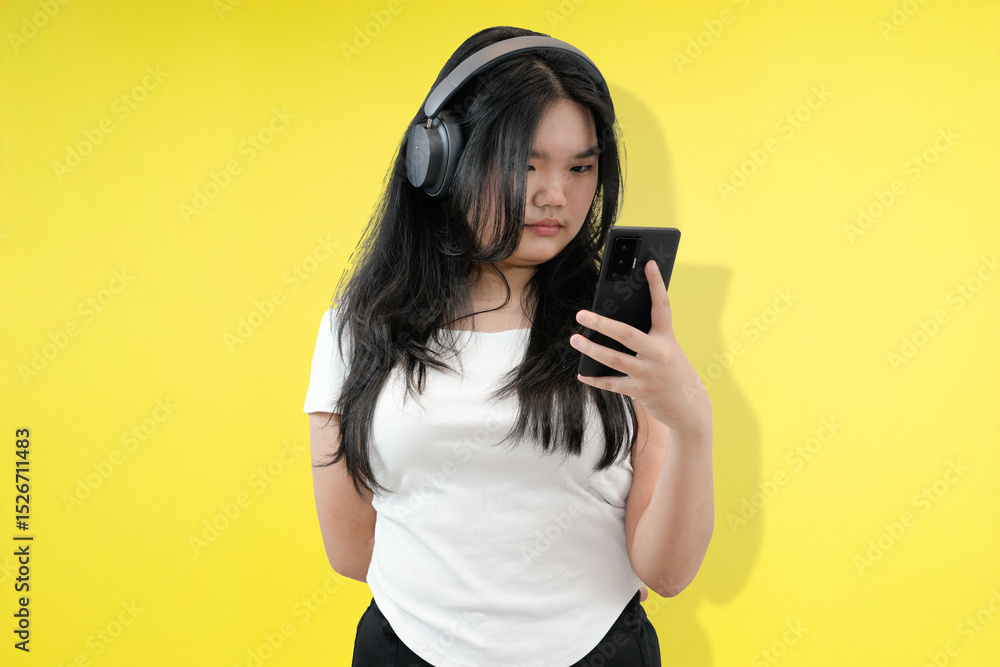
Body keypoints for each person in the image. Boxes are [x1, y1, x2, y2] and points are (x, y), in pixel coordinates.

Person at [304, 25, 714, 667]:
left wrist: (692, 421)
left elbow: (665, 572)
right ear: (436, 160)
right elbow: (352, 554)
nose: (556, 194)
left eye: (581, 167)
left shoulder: (621, 332)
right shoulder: (356, 330)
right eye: (526, 165)